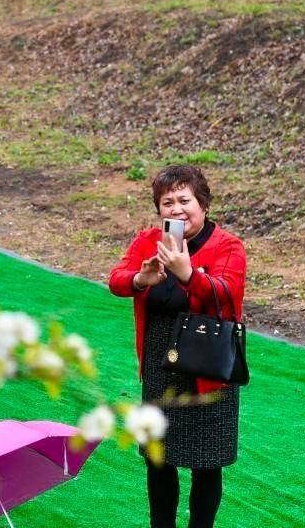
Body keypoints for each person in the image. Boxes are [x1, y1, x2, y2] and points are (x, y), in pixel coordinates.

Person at [108, 164, 247, 528]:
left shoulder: (227, 245)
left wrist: (188, 274)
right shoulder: (147, 241)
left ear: (202, 204)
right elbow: (117, 280)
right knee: (159, 458)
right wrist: (141, 278)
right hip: (159, 363)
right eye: (167, 202)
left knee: (207, 461)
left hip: (208, 366)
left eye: (185, 200)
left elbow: (226, 296)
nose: (176, 209)